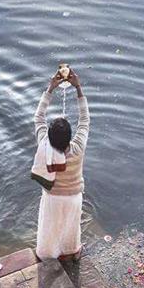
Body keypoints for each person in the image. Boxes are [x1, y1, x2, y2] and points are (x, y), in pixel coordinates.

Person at [31, 68, 90, 260]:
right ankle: (70, 253)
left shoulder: (44, 145)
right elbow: (85, 120)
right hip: (73, 197)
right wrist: (78, 87)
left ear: (48, 135)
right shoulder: (77, 148)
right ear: (70, 137)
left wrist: (51, 88)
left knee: (49, 229)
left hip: (53, 197)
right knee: (70, 229)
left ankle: (47, 255)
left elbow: (39, 117)